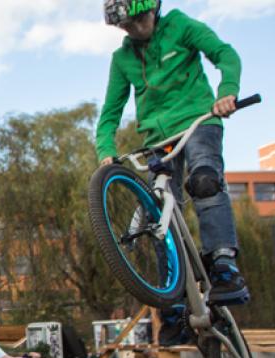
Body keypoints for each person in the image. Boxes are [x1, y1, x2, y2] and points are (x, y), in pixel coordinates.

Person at [96, 0, 248, 335]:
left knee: (205, 181)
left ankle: (223, 264)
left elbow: (225, 54)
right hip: (158, 139)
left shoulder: (180, 26)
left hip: (198, 122)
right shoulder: (122, 59)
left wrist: (227, 92)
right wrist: (106, 150)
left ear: (154, 10)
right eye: (125, 26)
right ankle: (175, 299)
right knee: (156, 215)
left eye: (137, 21)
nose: (133, 30)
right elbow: (110, 111)